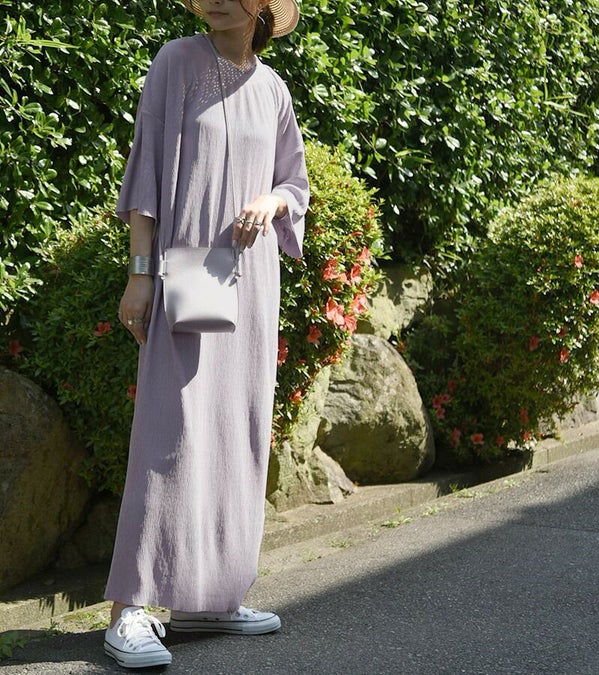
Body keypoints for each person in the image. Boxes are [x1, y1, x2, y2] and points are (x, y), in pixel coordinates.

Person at [102, 0, 309, 668]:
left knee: (234, 432)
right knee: (170, 431)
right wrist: (140, 275)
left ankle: (209, 599)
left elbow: (294, 182)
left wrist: (271, 200)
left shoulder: (273, 90)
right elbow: (145, 176)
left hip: (250, 282)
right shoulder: (177, 62)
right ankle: (130, 609)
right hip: (185, 273)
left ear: (262, 7)